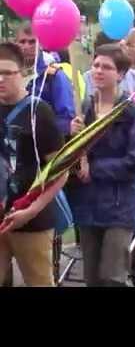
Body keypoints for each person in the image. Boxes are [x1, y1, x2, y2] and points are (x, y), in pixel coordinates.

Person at [67, 44, 135, 286]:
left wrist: (96, 170)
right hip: (88, 205)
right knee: (92, 278)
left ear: (121, 74)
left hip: (119, 207)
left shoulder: (130, 113)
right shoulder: (84, 110)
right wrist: (71, 135)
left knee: (113, 278)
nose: (99, 71)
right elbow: (73, 158)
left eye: (107, 67)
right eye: (96, 65)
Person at [0, 43, 67, 287]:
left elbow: (60, 172)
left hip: (32, 222)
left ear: (23, 72)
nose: (1, 79)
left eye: (7, 73)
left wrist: (32, 210)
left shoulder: (39, 112)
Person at [16, 26, 75, 136]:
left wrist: (41, 131)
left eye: (32, 42)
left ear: (40, 44)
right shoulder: (9, 74)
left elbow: (67, 118)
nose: (26, 46)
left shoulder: (54, 75)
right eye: (22, 42)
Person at [83, 32, 135, 102]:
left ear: (120, 75)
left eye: (124, 46)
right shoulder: (86, 79)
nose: (99, 71)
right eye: (96, 65)